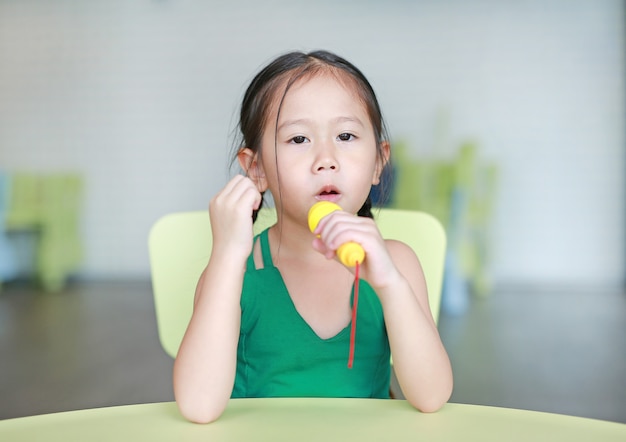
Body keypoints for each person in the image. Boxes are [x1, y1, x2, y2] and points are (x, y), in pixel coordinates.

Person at [173, 50, 453, 424]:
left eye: (346, 135)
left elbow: (432, 397)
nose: (326, 158)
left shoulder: (396, 263)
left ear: (378, 163)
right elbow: (197, 407)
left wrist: (389, 284)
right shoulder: (236, 272)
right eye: (299, 139)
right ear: (256, 169)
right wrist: (226, 255)